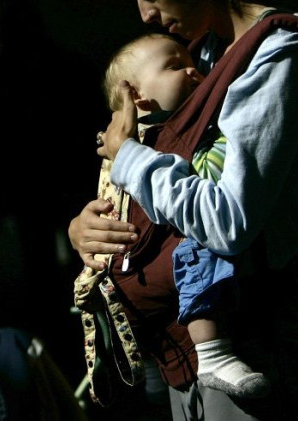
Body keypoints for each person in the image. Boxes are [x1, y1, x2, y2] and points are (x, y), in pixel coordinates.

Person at [67, 0, 298, 421]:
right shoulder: (198, 63)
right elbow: (169, 182)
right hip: (188, 345)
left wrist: (127, 157)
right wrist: (91, 227)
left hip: (251, 338)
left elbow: (228, 222)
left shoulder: (275, 59)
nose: (146, 15)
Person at [100, 32, 269, 399]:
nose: (194, 71)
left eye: (193, 64)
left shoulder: (198, 132)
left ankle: (212, 352)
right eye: (176, 66)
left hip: (192, 304)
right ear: (137, 95)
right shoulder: (127, 143)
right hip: (145, 301)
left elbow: (215, 194)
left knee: (198, 248)